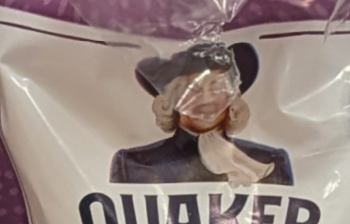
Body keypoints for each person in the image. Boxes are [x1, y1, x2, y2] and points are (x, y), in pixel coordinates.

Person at [110, 42, 293, 187]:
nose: (206, 99)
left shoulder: (269, 161)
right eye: (192, 90)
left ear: (234, 96)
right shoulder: (132, 165)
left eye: (216, 88)